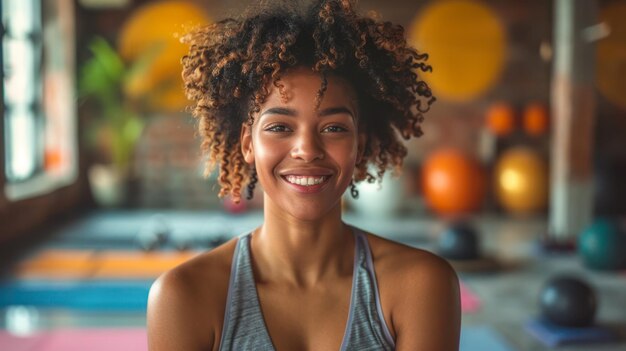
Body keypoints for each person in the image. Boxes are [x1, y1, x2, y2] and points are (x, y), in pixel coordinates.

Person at [147, 0, 461, 350]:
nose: (307, 149)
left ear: (361, 144)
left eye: (334, 128)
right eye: (280, 126)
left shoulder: (421, 285)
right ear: (247, 144)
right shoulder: (184, 296)